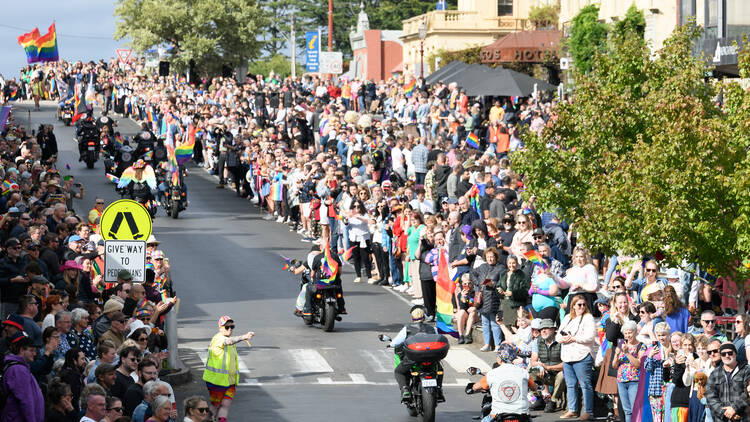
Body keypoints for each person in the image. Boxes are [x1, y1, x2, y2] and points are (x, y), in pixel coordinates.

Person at [202, 315, 254, 422]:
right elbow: (228, 341)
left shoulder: (227, 338)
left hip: (229, 381)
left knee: (225, 404)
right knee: (215, 406)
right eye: (227, 327)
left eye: (232, 327)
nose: (230, 329)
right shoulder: (218, 339)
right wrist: (243, 337)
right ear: (220, 327)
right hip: (217, 381)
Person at [557, 294, 596, 420]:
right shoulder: (567, 317)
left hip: (582, 356)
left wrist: (573, 338)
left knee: (585, 385)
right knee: (570, 384)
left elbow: (590, 337)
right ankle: (572, 409)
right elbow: (558, 335)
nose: (582, 307)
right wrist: (563, 338)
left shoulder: (588, 317)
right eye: (579, 305)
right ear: (573, 306)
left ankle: (588, 411)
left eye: (584, 304)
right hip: (567, 356)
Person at [471, 343, 534, 422]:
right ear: (513, 358)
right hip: (523, 416)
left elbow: (476, 387)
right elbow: (534, 387)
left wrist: (473, 388)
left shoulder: (491, 374)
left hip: (498, 416)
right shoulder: (524, 373)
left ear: (499, 359)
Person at [390, 307, 441, 400]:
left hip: (413, 358)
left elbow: (395, 343)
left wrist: (390, 344)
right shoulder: (432, 328)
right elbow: (438, 339)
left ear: (412, 318)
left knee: (399, 371)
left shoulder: (407, 329)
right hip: (431, 357)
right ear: (424, 318)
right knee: (440, 369)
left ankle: (405, 389)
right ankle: (439, 389)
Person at [1, 331, 45, 422]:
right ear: (21, 350)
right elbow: (25, 400)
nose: (35, 354)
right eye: (31, 350)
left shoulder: (22, 368)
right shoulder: (18, 370)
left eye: (35, 351)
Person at [705, 342, 750, 422]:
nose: (727, 356)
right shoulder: (714, 374)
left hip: (743, 418)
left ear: (735, 353)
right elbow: (710, 397)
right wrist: (725, 413)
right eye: (723, 354)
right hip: (722, 419)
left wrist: (734, 408)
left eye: (730, 353)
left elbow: (748, 393)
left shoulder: (746, 370)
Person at [529, 318, 565, 413]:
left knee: (562, 375)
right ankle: (539, 398)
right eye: (541, 329)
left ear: (553, 329)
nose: (543, 331)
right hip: (545, 372)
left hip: (558, 372)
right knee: (531, 370)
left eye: (546, 328)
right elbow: (533, 361)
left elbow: (566, 364)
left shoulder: (561, 341)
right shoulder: (538, 341)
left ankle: (553, 401)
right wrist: (540, 366)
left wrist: (548, 367)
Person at [614, 320, 647, 422]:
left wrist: (627, 353)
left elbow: (638, 365)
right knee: (627, 410)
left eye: (630, 332)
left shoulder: (641, 346)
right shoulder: (621, 345)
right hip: (621, 381)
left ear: (635, 332)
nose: (628, 335)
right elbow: (614, 366)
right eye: (626, 333)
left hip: (634, 380)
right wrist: (616, 354)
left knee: (635, 408)